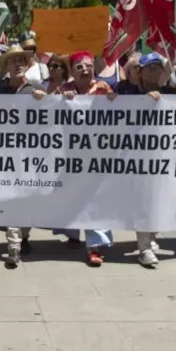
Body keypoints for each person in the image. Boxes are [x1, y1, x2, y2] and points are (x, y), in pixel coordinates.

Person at [38, 50, 114, 266]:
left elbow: (119, 111)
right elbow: (46, 108)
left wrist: (113, 101)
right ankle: (72, 235)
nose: (85, 70)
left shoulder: (103, 89)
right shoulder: (65, 89)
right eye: (79, 67)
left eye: (88, 65)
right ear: (72, 71)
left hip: (98, 155)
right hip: (70, 155)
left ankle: (95, 245)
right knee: (70, 194)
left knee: (96, 199)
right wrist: (58, 99)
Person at [112, 53, 176, 266]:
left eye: (157, 67)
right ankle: (144, 248)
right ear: (139, 72)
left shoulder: (171, 92)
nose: (154, 71)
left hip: (164, 158)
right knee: (143, 201)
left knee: (158, 200)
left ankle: (150, 236)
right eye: (149, 68)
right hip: (135, 159)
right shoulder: (125, 91)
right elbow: (107, 107)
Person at [0, 44, 42, 267]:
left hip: (30, 154)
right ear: (6, 65)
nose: (16, 65)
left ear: (26, 65)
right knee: (14, 198)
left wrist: (44, 101)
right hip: (7, 155)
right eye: (12, 61)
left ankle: (23, 236)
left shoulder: (35, 90)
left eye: (20, 61)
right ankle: (14, 246)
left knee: (28, 199)